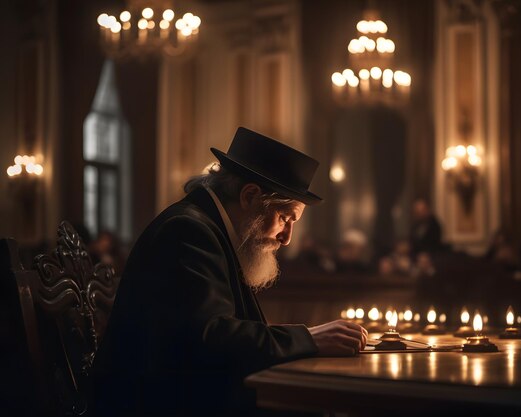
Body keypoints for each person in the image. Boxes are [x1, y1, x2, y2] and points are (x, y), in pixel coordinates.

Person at [93, 127, 368, 416]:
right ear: (250, 196)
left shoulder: (212, 231)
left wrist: (307, 337)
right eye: (285, 218)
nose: (287, 237)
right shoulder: (188, 231)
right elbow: (209, 337)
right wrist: (308, 339)